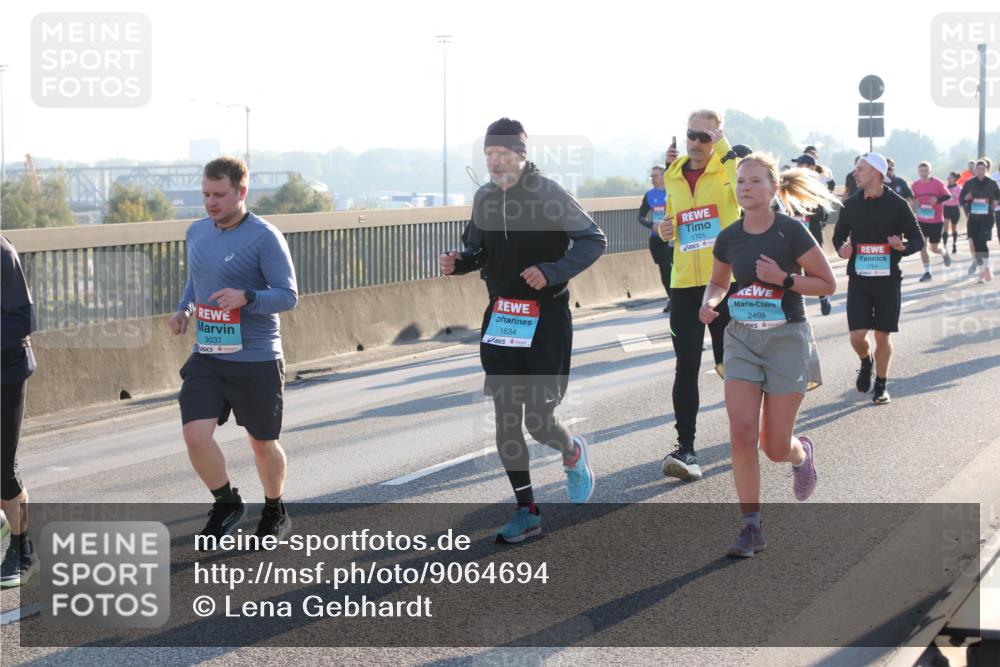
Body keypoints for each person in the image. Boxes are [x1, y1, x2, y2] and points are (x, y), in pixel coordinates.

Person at [440, 118, 606, 544]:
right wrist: (460, 262)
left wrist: (552, 272)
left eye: (503, 155)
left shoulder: (548, 193)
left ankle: (572, 451)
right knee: (506, 418)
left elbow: (593, 239)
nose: (495, 163)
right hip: (502, 318)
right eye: (489, 156)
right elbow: (478, 250)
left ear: (521, 155)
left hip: (546, 319)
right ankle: (526, 510)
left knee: (538, 420)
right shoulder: (483, 199)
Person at [701, 153, 837, 557]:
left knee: (773, 446)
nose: (745, 187)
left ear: (773, 188)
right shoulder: (729, 237)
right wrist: (711, 301)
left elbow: (826, 283)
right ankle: (751, 527)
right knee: (741, 433)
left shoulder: (790, 232)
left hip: (786, 339)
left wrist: (784, 279)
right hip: (741, 337)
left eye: (755, 181)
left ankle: (800, 453)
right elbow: (717, 281)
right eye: (741, 181)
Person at [169, 156, 299, 541]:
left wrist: (247, 297)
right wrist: (184, 310)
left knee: (262, 444)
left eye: (220, 194)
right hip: (209, 354)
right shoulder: (196, 232)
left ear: (241, 192)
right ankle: (227, 502)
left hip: (256, 357)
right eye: (206, 194)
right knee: (195, 435)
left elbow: (288, 295)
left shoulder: (264, 236)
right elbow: (197, 280)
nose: (211, 202)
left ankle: (275, 508)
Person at [656, 109, 742, 482]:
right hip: (684, 284)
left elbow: (742, 179)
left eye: (704, 137)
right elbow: (671, 221)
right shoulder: (673, 175)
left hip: (725, 281)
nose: (695, 143)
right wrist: (665, 230)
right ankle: (686, 447)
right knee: (686, 365)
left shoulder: (728, 168)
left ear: (718, 137)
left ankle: (749, 428)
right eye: (691, 135)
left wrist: (720, 141)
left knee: (731, 365)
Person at [833, 153, 923, 405]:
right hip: (859, 280)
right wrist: (842, 249)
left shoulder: (897, 205)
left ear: (875, 172)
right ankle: (865, 361)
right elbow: (838, 236)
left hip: (888, 280)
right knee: (857, 336)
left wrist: (902, 246)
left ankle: (881, 385)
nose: (855, 173)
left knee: (882, 336)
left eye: (860, 169)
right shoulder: (851, 205)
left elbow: (917, 240)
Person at [1, 237, 39, 587]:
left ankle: (23, 550)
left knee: (3, 469)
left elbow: (24, 318)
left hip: (5, 373)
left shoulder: (2, 252)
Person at [789, 154, 833, 315]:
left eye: (801, 164)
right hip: (792, 233)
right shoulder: (791, 184)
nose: (798, 167)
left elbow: (824, 212)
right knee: (791, 269)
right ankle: (796, 307)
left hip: (812, 232)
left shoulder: (818, 185)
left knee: (813, 271)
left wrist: (810, 216)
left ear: (811, 167)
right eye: (797, 164)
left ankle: (823, 298)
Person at [638, 164, 673, 312]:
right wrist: (651, 224)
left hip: (673, 236)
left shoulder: (673, 191)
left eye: (655, 176)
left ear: (664, 176)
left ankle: (678, 298)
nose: (652, 179)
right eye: (651, 176)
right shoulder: (650, 195)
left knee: (672, 266)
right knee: (664, 268)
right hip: (656, 236)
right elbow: (640, 216)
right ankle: (671, 298)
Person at [958, 159, 1000, 283]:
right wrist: (966, 198)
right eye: (978, 169)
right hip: (973, 218)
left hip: (987, 217)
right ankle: (983, 269)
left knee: (982, 241)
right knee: (976, 244)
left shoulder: (992, 183)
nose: (980, 171)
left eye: (983, 169)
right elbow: (961, 199)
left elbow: (998, 196)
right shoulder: (969, 183)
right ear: (975, 170)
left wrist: (996, 202)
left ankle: (985, 268)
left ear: (987, 170)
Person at [910, 161, 953, 281]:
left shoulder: (937, 183)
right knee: (921, 246)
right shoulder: (915, 185)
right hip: (921, 220)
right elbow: (912, 201)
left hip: (936, 220)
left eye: (926, 170)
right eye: (921, 171)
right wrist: (914, 206)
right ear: (918, 172)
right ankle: (927, 272)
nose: (924, 173)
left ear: (930, 171)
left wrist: (937, 200)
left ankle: (943, 253)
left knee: (934, 248)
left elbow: (948, 196)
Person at [943, 172, 962, 256]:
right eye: (948, 177)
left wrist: (952, 194)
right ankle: (945, 245)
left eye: (950, 177)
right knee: (946, 227)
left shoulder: (958, 188)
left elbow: (959, 198)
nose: (948, 178)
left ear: (954, 178)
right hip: (946, 208)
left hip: (954, 208)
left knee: (953, 227)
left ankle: (954, 244)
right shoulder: (944, 187)